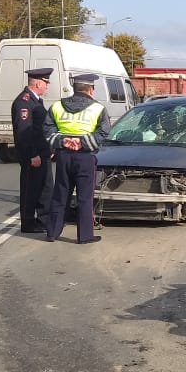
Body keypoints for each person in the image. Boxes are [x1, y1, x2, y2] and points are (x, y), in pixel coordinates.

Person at [44, 73, 111, 244]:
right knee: (84, 197)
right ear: (90, 89)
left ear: (74, 88)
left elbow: (47, 129)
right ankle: (85, 235)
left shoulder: (57, 106)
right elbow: (103, 132)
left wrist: (63, 141)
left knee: (60, 194)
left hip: (63, 156)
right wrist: (82, 143)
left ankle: (52, 232)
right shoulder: (98, 108)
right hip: (85, 157)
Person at [12, 68, 55, 234]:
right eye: (45, 83)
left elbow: (40, 129)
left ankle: (44, 220)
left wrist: (48, 149)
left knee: (45, 189)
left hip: (42, 153)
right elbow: (24, 131)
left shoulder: (36, 101)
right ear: (38, 83)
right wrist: (32, 154)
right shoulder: (24, 103)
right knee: (31, 190)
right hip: (33, 155)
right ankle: (28, 223)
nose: (46, 87)